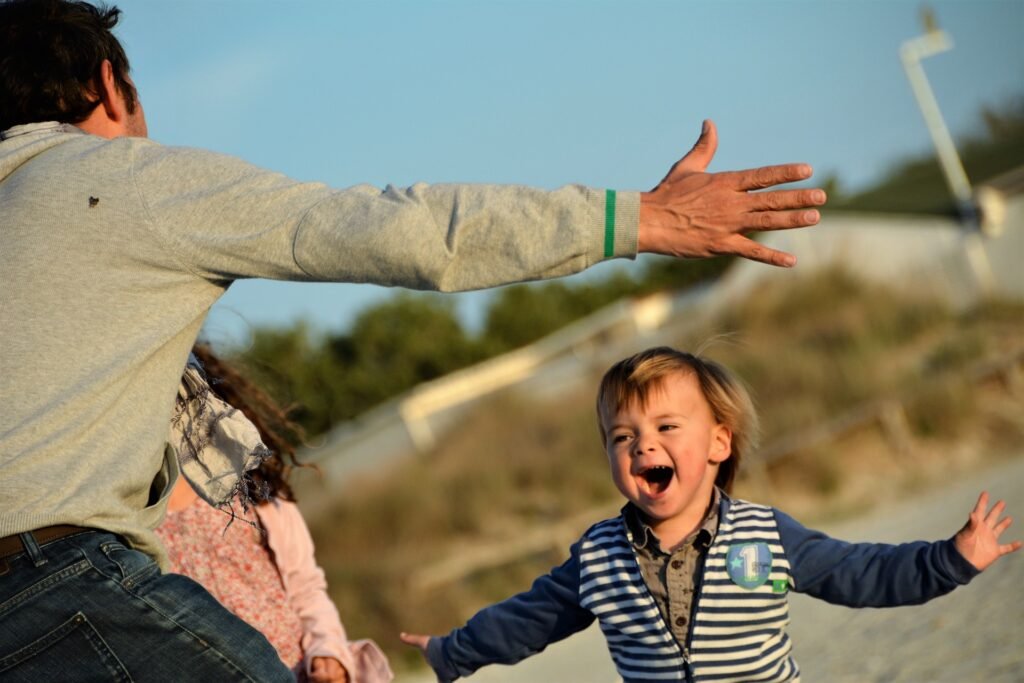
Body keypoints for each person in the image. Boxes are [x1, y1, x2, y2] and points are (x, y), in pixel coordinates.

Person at [0, 0, 825, 678]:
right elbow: (401, 229)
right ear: (111, 85)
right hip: (64, 583)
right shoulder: (119, 179)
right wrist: (642, 217)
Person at [400, 347, 1021, 682]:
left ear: (718, 445)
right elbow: (528, 618)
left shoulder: (767, 536)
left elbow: (859, 573)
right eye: (623, 437)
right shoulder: (598, 556)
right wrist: (453, 651)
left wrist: (950, 559)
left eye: (667, 427)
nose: (644, 445)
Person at [156, 346, 392, 683]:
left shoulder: (251, 482)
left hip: (299, 671)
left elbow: (306, 586)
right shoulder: (126, 520)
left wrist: (328, 653)